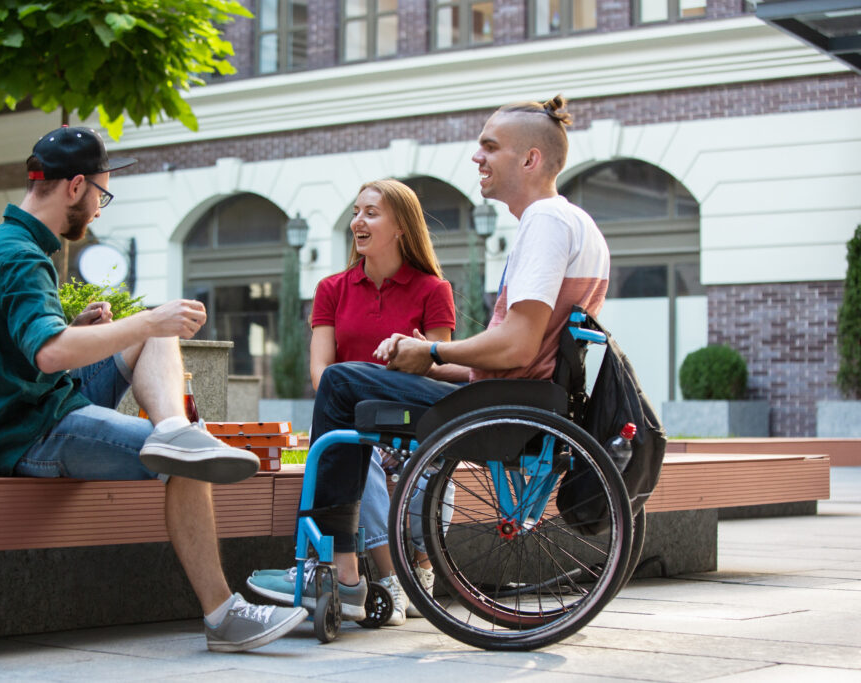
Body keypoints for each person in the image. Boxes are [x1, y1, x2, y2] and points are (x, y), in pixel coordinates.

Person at [0, 126, 306, 653]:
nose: (100, 208)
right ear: (74, 186)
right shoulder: (21, 256)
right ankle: (222, 615)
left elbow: (17, 347)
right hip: (30, 433)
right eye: (101, 193)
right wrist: (142, 323)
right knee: (189, 451)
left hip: (33, 405)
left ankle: (172, 431)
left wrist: (82, 326)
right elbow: (48, 352)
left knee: (159, 358)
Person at [250, 95, 610, 612]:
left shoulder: (546, 222)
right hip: (523, 398)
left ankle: (331, 571)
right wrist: (428, 356)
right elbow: (520, 351)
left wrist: (433, 351)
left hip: (503, 404)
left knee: (341, 383)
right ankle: (347, 572)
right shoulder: (577, 223)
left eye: (490, 146)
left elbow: (518, 345)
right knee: (346, 386)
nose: (476, 158)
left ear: (530, 159)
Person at [247, 179, 459, 625]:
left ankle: (402, 569)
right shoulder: (332, 289)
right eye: (356, 212)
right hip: (353, 418)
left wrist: (409, 355)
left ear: (402, 225)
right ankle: (389, 578)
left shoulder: (433, 290)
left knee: (394, 458)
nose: (357, 222)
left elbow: (434, 369)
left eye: (371, 213)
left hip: (409, 419)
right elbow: (321, 372)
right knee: (362, 452)